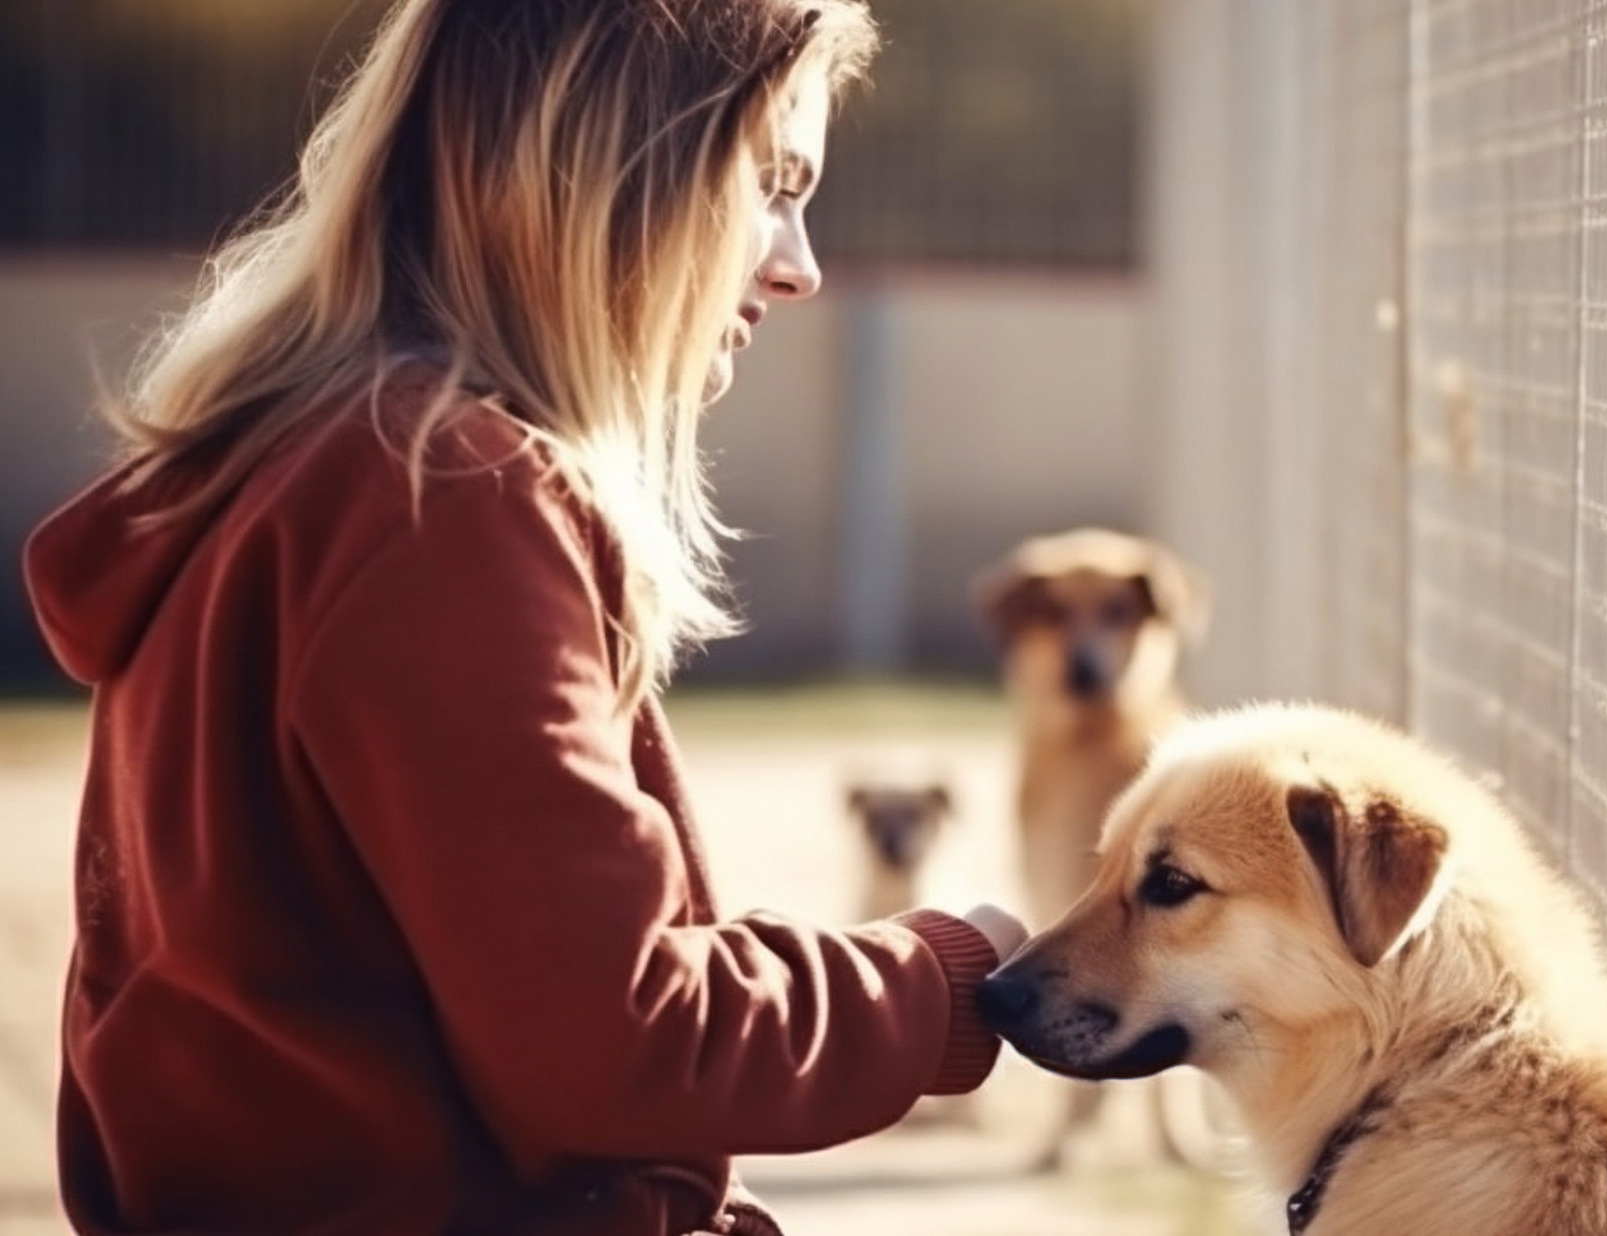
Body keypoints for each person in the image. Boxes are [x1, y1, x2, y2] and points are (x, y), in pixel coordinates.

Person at [18, 1, 1028, 1233]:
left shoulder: (302, 475)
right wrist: (942, 980)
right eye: (771, 183)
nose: (798, 264)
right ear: (609, 161)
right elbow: (620, 1035)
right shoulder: (443, 497)